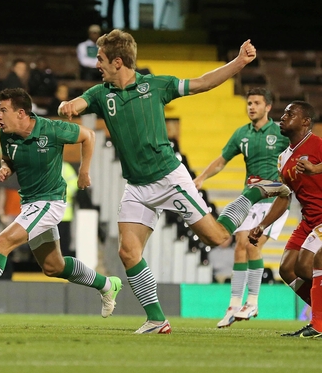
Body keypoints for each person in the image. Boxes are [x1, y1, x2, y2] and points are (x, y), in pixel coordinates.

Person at [58, 29, 286, 334]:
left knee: (217, 238)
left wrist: (238, 63)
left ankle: (252, 193)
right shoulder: (101, 93)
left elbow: (203, 82)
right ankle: (157, 319)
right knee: (128, 252)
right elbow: (80, 103)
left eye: (100, 59)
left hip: (169, 178)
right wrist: (69, 106)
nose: (95, 65)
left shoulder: (156, 85)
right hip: (137, 187)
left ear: (117, 61)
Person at [0, 88, 122, 323]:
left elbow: (89, 136)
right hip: (31, 205)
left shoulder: (52, 129)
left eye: (3, 110)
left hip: (50, 202)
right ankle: (107, 285)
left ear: (21, 113)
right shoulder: (6, 135)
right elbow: (8, 158)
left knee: (0, 242)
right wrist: (6, 167)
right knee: (54, 266)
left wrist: (84, 172)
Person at [193, 88, 290, 328]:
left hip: (274, 199)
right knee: (239, 248)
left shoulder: (280, 132)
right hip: (250, 199)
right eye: (249, 103)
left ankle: (254, 301)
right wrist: (202, 178)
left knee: (251, 244)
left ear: (268, 107)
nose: (251, 107)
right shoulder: (241, 134)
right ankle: (234, 305)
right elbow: (222, 160)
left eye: (257, 103)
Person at [248, 101, 322, 337]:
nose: (283, 116)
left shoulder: (317, 144)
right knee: (287, 269)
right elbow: (284, 197)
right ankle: (320, 317)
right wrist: (262, 224)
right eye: (284, 113)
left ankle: (319, 324)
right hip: (309, 219)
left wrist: (316, 169)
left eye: (290, 113)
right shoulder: (282, 159)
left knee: (306, 264)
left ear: (305, 122)